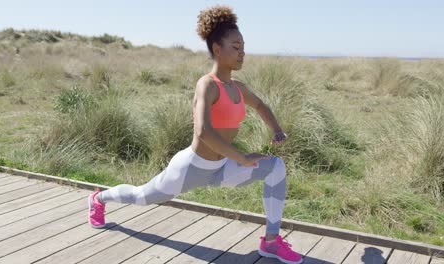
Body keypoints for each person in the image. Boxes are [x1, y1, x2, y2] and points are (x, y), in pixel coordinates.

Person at [88, 5, 302, 264]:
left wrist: (277, 130)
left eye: (243, 47)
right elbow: (203, 132)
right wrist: (242, 158)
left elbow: (261, 106)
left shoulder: (238, 87)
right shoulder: (207, 85)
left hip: (222, 169)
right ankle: (99, 198)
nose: (242, 52)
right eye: (235, 46)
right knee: (141, 196)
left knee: (275, 167)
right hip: (190, 169)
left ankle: (271, 242)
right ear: (217, 49)